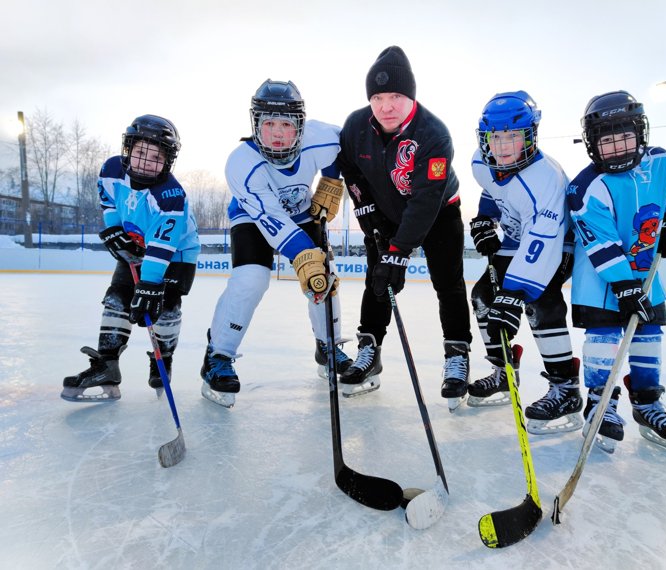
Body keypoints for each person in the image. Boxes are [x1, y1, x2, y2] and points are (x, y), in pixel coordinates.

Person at [200, 79, 350, 408]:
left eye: (285, 124)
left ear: (300, 125)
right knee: (251, 279)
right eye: (269, 124)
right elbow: (271, 219)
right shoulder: (241, 163)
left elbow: (345, 148)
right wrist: (303, 257)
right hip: (253, 217)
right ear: (255, 125)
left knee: (325, 276)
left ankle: (328, 347)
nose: (278, 133)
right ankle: (218, 354)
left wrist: (330, 181)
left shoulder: (321, 137)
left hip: (302, 212)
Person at [338, 45, 472, 404]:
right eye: (378, 97)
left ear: (410, 96)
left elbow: (427, 198)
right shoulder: (355, 126)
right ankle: (370, 350)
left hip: (440, 211)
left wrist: (399, 251)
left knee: (448, 282)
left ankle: (457, 353)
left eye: (396, 96)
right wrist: (366, 211)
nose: (386, 106)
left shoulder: (433, 134)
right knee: (377, 281)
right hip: (384, 214)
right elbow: (348, 167)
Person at [567, 90, 666, 453]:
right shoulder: (587, 187)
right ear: (592, 145)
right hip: (600, 276)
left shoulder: (665, 163)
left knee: (648, 332)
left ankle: (648, 402)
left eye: (625, 136)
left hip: (644, 268)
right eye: (607, 141)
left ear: (641, 133)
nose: (618, 147)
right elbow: (600, 243)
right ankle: (600, 405)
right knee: (605, 336)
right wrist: (623, 285)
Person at [61, 115, 200, 402]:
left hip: (177, 252)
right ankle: (107, 365)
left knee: (164, 303)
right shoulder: (111, 169)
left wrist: (150, 282)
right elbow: (109, 200)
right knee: (117, 298)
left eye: (155, 156)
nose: (146, 161)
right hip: (137, 244)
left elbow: (163, 245)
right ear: (128, 150)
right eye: (140, 152)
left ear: (168, 160)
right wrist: (113, 227)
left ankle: (163, 359)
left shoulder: (172, 195)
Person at [469, 91, 582, 433]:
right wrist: (483, 220)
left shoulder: (546, 177)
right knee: (483, 298)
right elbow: (494, 189)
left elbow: (541, 242)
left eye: (513, 137)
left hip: (555, 242)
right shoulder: (481, 161)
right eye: (496, 137)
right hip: (517, 239)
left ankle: (566, 389)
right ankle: (504, 373)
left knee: (539, 302)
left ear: (530, 136)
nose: (502, 146)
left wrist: (514, 293)